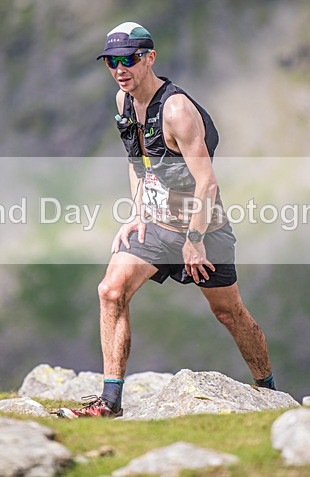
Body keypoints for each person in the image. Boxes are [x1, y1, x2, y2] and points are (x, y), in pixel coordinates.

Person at [72, 22, 275, 418]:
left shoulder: (177, 110)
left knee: (229, 313)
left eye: (128, 60)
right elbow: (137, 160)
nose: (119, 69)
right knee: (111, 291)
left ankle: (268, 391)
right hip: (157, 226)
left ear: (150, 58)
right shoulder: (123, 101)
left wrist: (195, 240)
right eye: (111, 62)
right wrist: (137, 212)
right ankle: (109, 402)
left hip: (204, 230)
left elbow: (207, 183)